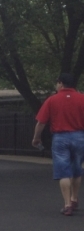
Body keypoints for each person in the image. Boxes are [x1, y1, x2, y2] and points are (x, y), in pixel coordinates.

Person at [32, 73, 84, 216]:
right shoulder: (82, 98)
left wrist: (36, 138)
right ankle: (74, 198)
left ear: (60, 83)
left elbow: (41, 122)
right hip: (80, 136)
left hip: (60, 138)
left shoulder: (52, 100)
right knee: (77, 168)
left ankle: (67, 205)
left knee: (63, 171)